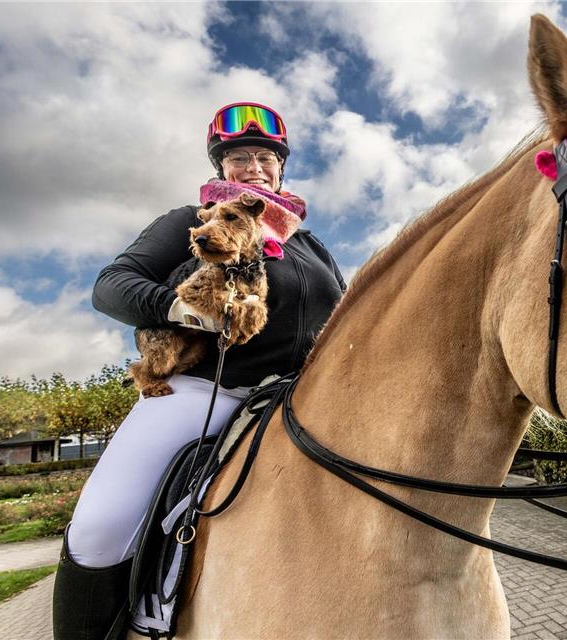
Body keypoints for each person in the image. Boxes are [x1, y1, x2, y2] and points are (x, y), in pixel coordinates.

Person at [52, 102, 347, 640]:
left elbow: (345, 313)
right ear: (221, 169)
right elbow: (110, 286)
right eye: (239, 157)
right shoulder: (187, 222)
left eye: (265, 156)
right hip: (202, 391)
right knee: (100, 527)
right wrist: (182, 311)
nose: (254, 166)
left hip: (302, 399)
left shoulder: (310, 246)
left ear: (281, 168)